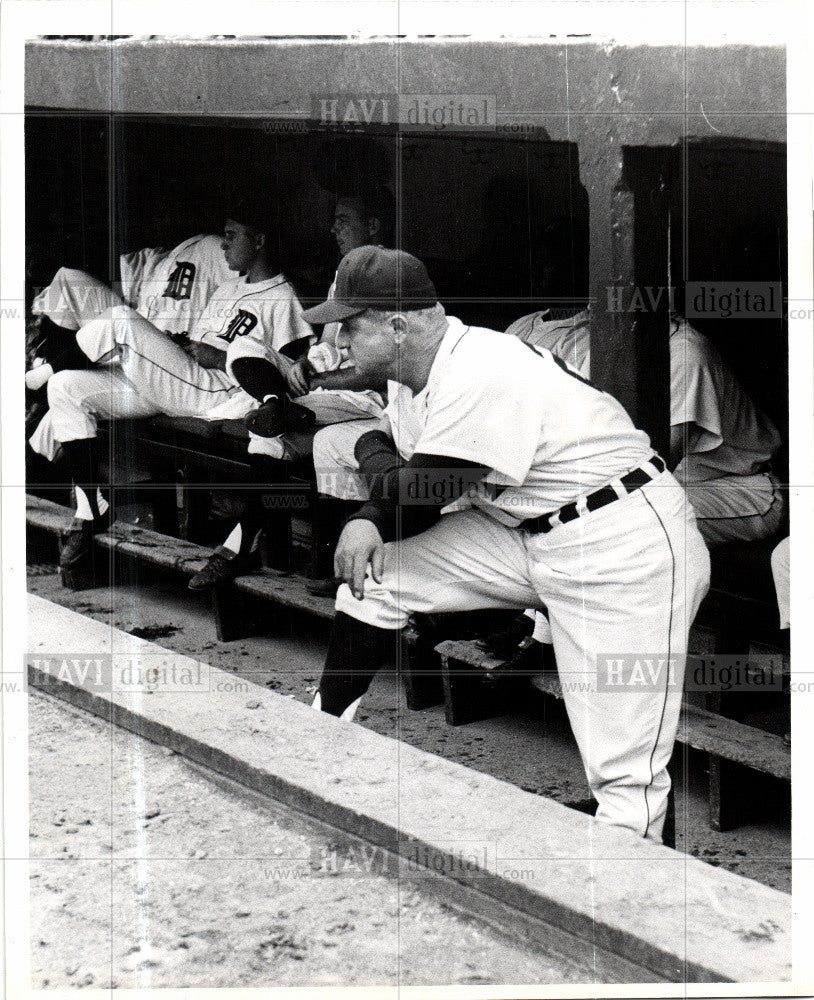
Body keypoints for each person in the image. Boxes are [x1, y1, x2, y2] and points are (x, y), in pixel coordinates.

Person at [304, 246, 710, 843]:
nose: (336, 339)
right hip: (526, 532)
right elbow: (401, 489)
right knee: (380, 572)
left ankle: (636, 902)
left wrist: (369, 463)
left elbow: (415, 495)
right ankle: (319, 735)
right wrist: (373, 503)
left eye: (349, 324)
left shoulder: (481, 369)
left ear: (397, 325)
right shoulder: (412, 376)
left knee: (625, 778)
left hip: (623, 543)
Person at [29, 205, 312, 572]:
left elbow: (287, 370)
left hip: (217, 392)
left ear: (259, 241)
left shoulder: (283, 295)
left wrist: (222, 356)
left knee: (119, 322)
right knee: (67, 387)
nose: (223, 245)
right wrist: (178, 343)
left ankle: (47, 367)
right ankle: (90, 506)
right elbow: (199, 340)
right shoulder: (229, 288)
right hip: (184, 380)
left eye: (231, 236)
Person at [188, 187, 396, 591]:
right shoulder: (347, 270)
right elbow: (330, 343)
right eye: (333, 219)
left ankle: (239, 546)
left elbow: (382, 370)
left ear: (372, 226)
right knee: (245, 348)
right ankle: (276, 402)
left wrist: (318, 378)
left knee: (270, 434)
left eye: (344, 220)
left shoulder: (389, 277)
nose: (333, 228)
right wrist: (305, 361)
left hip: (363, 399)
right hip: (320, 386)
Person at [26, 233, 233, 390]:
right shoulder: (159, 258)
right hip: (133, 340)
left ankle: (45, 373)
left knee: (119, 318)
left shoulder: (215, 248)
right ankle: (48, 369)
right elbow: (120, 271)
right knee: (68, 278)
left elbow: (244, 293)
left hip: (168, 358)